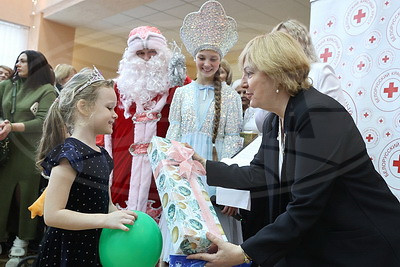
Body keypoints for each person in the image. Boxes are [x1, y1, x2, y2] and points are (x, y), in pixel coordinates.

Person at [188, 31, 400, 267]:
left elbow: (306, 204)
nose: (243, 82)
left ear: (276, 73)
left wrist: (244, 252)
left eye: (249, 73)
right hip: (324, 241)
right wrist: (202, 165)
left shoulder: (317, 114)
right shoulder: (274, 121)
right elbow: (259, 174)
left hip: (363, 244)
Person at [165, 0, 243, 262]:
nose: (207, 64)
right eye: (201, 58)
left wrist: (229, 188)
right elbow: (172, 138)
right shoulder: (181, 94)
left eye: (213, 59)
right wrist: (172, 174)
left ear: (220, 60)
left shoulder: (231, 97)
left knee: (214, 239)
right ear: (194, 59)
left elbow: (233, 141)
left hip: (214, 173)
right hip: (184, 174)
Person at [34, 67, 137, 266]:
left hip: (94, 247)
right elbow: (52, 215)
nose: (115, 115)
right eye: (109, 108)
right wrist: (104, 220)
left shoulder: (103, 156)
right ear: (84, 107)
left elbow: (105, 204)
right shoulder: (68, 155)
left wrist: (118, 215)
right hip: (67, 251)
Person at [102, 26, 191, 223]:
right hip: (122, 161)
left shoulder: (179, 83)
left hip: (162, 163)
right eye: (140, 53)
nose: (146, 58)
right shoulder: (118, 87)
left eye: (152, 52)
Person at [0, 50, 57, 266]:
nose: (17, 63)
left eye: (23, 61)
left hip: (29, 152)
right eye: (17, 60)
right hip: (5, 149)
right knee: (2, 193)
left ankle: (21, 240)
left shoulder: (46, 90)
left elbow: (44, 122)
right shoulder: (6, 86)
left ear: (35, 65)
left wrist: (12, 127)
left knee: (24, 195)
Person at [255, 19, 346, 132]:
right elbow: (261, 125)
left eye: (287, 41)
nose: (280, 48)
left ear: (303, 43)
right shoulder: (273, 79)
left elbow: (338, 117)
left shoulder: (320, 71)